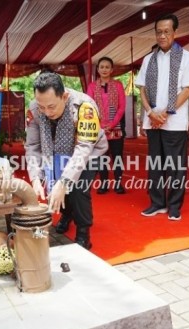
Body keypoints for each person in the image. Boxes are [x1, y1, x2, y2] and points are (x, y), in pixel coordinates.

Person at [25, 72, 108, 249]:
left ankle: (83, 232)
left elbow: (83, 149)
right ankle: (67, 214)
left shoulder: (85, 107)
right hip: (53, 154)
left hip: (89, 153)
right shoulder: (34, 108)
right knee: (52, 181)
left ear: (65, 96)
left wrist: (64, 183)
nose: (46, 112)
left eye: (51, 107)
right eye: (42, 107)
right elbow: (33, 146)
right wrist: (35, 178)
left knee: (77, 188)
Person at [135, 13, 189, 221]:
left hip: (175, 122)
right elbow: (141, 89)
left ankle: (175, 205)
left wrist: (166, 112)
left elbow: (187, 89)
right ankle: (157, 203)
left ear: (175, 32)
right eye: (158, 32)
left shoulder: (186, 57)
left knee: (175, 166)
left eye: (166, 31)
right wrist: (151, 113)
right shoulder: (148, 59)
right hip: (152, 121)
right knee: (156, 166)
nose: (162, 36)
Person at [87, 56, 126, 194]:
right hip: (98, 128)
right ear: (97, 69)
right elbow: (89, 107)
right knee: (101, 157)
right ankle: (103, 183)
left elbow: (122, 107)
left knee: (117, 156)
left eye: (107, 67)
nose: (104, 69)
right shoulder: (92, 86)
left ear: (112, 70)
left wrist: (112, 124)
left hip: (115, 128)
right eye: (101, 67)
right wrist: (100, 125)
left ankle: (118, 183)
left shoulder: (118, 85)